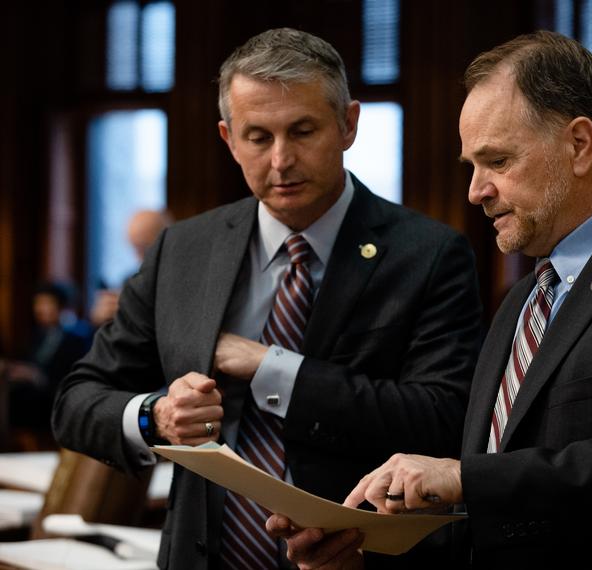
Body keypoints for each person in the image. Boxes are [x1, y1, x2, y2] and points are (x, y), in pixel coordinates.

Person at [273, 30, 592, 569]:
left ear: (580, 145)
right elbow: (494, 520)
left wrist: (462, 477)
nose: (475, 190)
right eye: (472, 167)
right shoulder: (522, 299)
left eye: (498, 162)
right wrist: (364, 554)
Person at [52, 27, 481, 569]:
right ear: (228, 139)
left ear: (348, 124)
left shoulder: (429, 254)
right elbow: (76, 400)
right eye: (258, 137)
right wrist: (156, 417)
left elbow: (444, 419)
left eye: (302, 131)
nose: (281, 160)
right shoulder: (183, 250)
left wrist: (270, 367)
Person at [7, 282, 91, 433]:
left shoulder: (79, 335)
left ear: (63, 306)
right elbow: (30, 362)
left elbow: (73, 376)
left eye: (46, 303)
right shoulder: (40, 333)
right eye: (37, 304)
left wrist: (37, 376)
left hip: (57, 395)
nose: (40, 309)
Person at [89, 209, 173, 327]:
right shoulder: (130, 280)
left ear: (169, 239)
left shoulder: (186, 276)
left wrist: (136, 310)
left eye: (144, 247)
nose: (138, 257)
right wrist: (102, 320)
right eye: (135, 247)